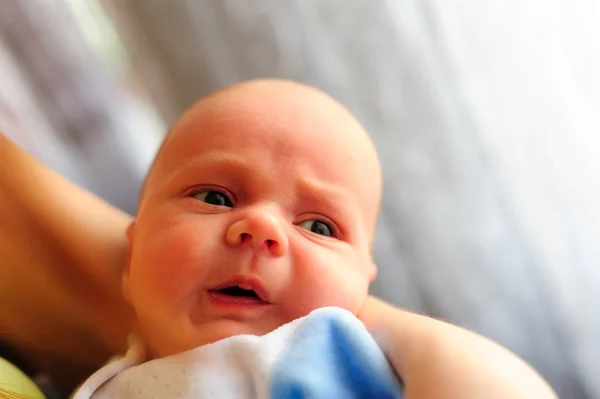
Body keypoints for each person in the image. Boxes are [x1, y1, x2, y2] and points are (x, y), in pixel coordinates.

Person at [1, 80, 556, 398]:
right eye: (215, 197)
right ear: (132, 252)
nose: (260, 228)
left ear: (363, 287)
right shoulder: (102, 384)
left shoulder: (329, 356)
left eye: (318, 227)